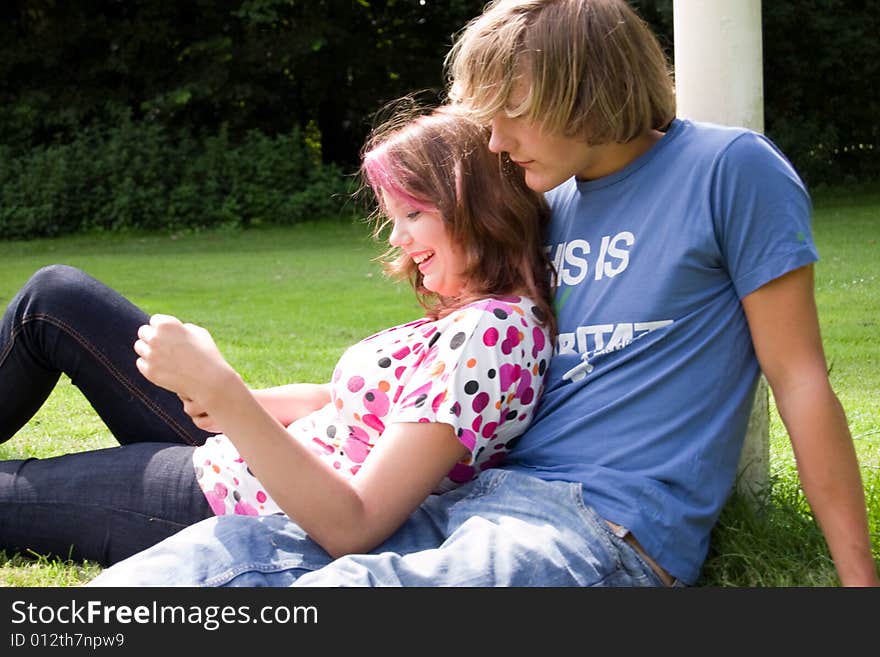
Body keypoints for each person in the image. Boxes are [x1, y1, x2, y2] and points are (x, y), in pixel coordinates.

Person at [90, 0, 878, 587]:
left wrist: (856, 585)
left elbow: (800, 379)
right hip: (476, 493)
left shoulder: (728, 170)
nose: (494, 143)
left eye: (512, 116)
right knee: (210, 559)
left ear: (585, 93)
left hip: (604, 526)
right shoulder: (549, 201)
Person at [0, 106, 556, 567]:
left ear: (477, 207)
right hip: (240, 448)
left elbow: (353, 524)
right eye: (392, 216)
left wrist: (224, 392)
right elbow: (346, 403)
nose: (397, 237)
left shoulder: (494, 334)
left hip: (227, 497)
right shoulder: (474, 316)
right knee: (56, 297)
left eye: (412, 212)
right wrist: (233, 402)